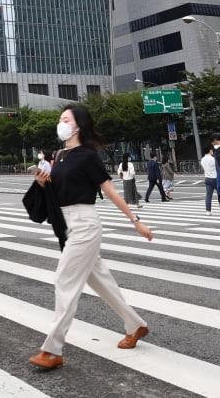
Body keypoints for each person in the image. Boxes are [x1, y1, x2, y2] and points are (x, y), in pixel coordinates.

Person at [27, 105, 152, 371]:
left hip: (85, 223)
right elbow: (59, 191)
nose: (60, 123)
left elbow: (110, 190)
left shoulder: (87, 156)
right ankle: (136, 325)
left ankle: (52, 350)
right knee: (102, 282)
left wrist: (135, 221)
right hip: (66, 224)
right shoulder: (59, 154)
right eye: (59, 118)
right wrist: (42, 182)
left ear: (78, 126)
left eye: (65, 119)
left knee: (64, 281)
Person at [200, 146, 217, 213]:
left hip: (207, 178)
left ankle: (208, 210)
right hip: (215, 178)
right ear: (210, 150)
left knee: (208, 195)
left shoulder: (202, 159)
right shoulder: (213, 159)